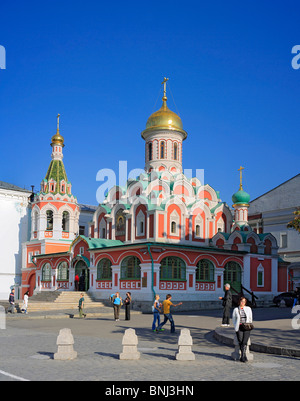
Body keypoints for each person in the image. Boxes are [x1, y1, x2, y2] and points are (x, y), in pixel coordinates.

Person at [232, 297, 253, 363]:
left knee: (244, 341)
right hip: (239, 327)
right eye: (241, 301)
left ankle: (243, 356)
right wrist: (236, 326)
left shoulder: (248, 308)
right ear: (239, 302)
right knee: (240, 341)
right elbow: (234, 319)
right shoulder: (236, 309)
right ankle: (243, 356)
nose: (242, 303)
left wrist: (249, 323)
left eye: (244, 301)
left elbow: (250, 317)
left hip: (246, 327)